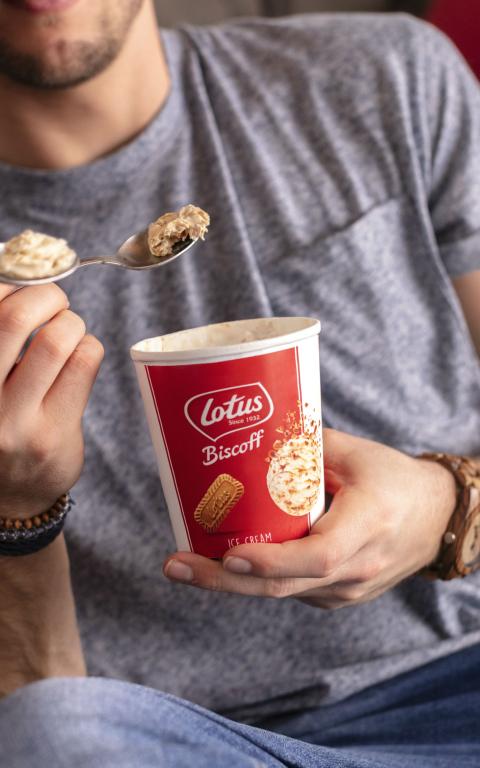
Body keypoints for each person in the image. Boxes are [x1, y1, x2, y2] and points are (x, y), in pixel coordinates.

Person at [0, 1, 479, 766]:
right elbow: (37, 701)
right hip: (175, 739)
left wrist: (447, 507)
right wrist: (17, 511)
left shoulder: (384, 79)